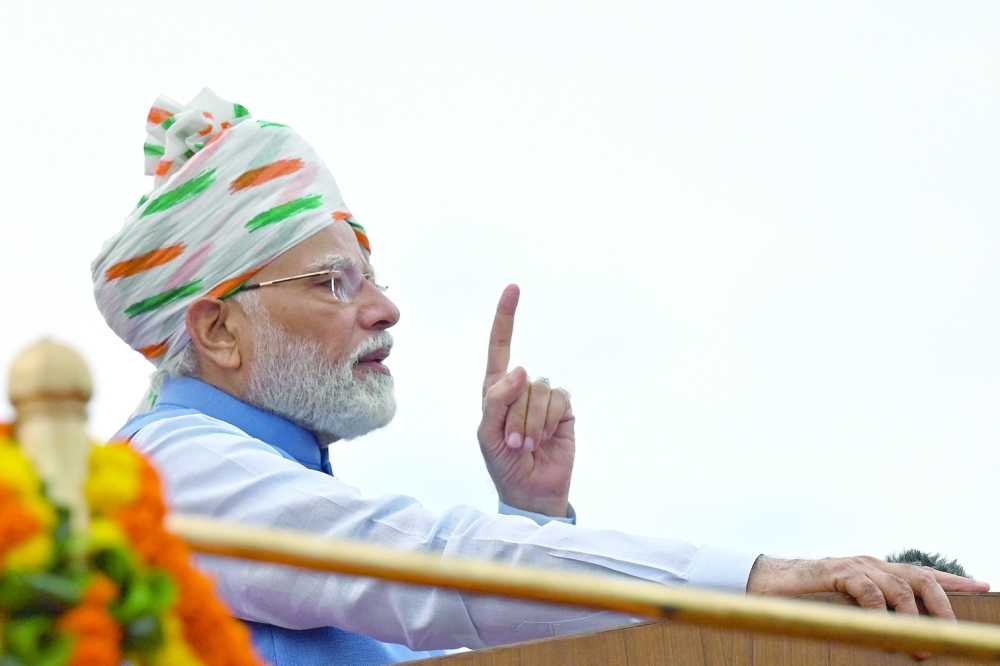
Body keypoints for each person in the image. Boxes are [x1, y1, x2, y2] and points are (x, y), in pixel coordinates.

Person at [92, 89, 988, 666]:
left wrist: (533, 519)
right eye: (335, 283)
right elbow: (427, 569)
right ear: (218, 329)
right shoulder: (164, 475)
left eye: (374, 278)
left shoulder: (258, 490)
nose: (386, 311)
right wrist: (760, 578)